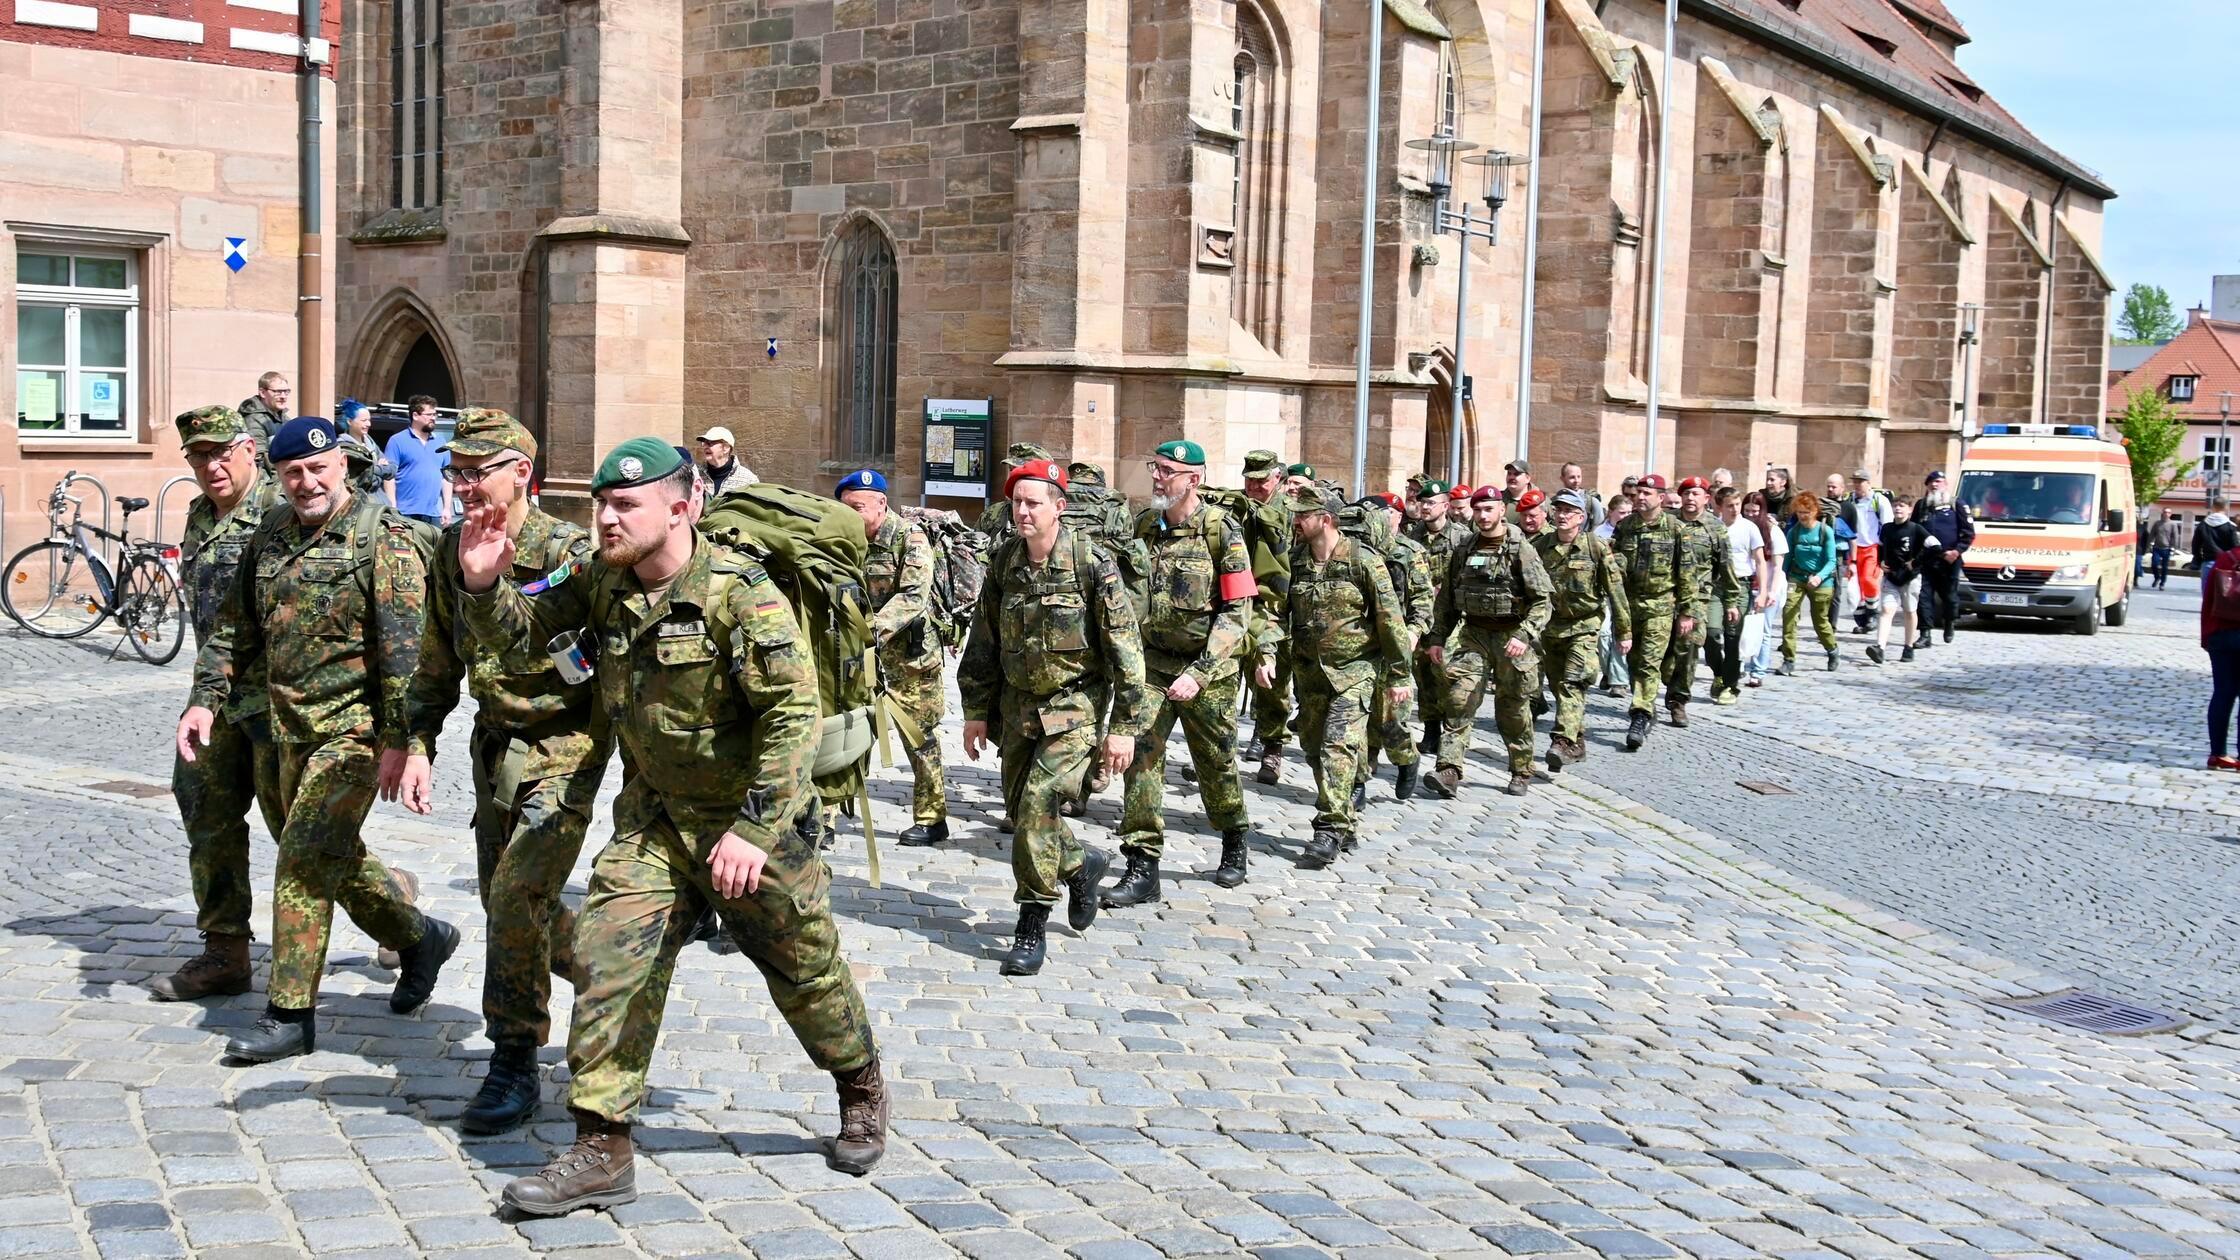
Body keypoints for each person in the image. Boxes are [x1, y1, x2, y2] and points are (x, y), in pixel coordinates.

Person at [455, 437, 888, 1210]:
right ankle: (600, 1145)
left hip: (754, 820)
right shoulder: (600, 580)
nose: (606, 519)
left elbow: (792, 717)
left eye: (625, 505)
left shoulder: (739, 594)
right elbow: (524, 643)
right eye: (601, 504)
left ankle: (858, 1081)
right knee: (608, 955)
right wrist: (486, 586)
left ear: (682, 508)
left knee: (804, 971)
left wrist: (753, 832)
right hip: (656, 820)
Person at [177, 416, 459, 1062]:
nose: (306, 482)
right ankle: (420, 938)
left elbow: (406, 658)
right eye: (293, 473)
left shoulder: (379, 537)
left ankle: (290, 1014)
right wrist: (204, 702)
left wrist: (408, 745)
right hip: (283, 733)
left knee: (302, 859)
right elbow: (235, 629)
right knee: (333, 857)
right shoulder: (271, 533)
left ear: (341, 466)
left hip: (353, 736)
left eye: (318, 468)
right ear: (278, 476)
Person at [383, 408, 608, 1134]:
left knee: (515, 893)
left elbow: (609, 661)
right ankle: (613, 974)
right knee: (508, 900)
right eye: (458, 471)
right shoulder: (452, 548)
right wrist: (414, 742)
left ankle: (513, 1057)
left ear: (522, 472)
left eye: (479, 471)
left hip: (566, 743)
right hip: (495, 746)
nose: (466, 484)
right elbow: (437, 660)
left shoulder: (571, 552)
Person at [960, 460, 1146, 975]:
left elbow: (1126, 650)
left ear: (1058, 508)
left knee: (1040, 801)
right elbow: (984, 642)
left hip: (1074, 706)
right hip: (1018, 708)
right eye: (1016, 503)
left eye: (1032, 503)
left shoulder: (1092, 564)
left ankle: (1031, 923)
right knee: (1023, 814)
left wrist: (1124, 729)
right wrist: (976, 710)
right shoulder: (1004, 563)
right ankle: (1081, 864)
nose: (1021, 512)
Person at [153, 406, 288, 1002]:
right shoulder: (199, 515)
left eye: (220, 452)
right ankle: (225, 952)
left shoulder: (281, 514)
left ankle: (399, 910)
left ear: (248, 450)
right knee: (205, 812)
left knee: (298, 830)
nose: (210, 466)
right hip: (214, 697)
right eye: (198, 456)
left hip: (276, 703)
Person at [1108, 441, 1256, 904]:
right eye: (1155, 468)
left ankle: (1233, 837)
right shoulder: (1146, 526)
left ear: (1194, 480)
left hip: (1205, 669)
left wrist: (1202, 671)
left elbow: (1239, 610)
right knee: (1140, 756)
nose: (1156, 478)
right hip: (1152, 665)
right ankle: (1141, 862)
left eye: (1167, 471)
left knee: (1215, 762)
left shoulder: (1222, 532)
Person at [1282, 486, 1411, 864]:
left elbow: (1390, 620)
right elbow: (1278, 612)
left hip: (1355, 671)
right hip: (1308, 673)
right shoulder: (1296, 561)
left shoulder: (1363, 561)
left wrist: (1400, 674)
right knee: (1312, 747)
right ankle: (1347, 820)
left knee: (1337, 745)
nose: (1295, 522)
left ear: (1325, 518)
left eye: (1302, 515)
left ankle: (1330, 827)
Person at [832, 469, 950, 848]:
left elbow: (913, 597)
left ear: (882, 504)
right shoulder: (844, 541)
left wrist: (869, 630)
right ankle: (832, 812)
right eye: (846, 507)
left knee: (919, 737)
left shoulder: (909, 539)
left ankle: (932, 819)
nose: (851, 515)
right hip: (859, 656)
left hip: (911, 660)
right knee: (847, 732)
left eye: (859, 507)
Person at [1423, 487, 1552, 797]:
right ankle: (1448, 769)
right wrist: (1437, 638)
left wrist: (1524, 636)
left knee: (1512, 708)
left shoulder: (1520, 548)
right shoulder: (1465, 547)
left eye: (1489, 510)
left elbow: (1543, 601)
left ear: (1501, 511)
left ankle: (1521, 769)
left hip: (1511, 636)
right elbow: (1448, 602)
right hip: (1475, 635)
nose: (1482, 516)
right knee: (1459, 699)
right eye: (1478, 509)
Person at [1534, 490, 1628, 770]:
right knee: (1558, 686)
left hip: (1584, 627)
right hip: (1551, 629)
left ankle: (1561, 741)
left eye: (1569, 511)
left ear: (1581, 517)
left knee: (1573, 683)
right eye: (1558, 510)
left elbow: (1616, 591)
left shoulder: (1596, 547)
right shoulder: (1541, 547)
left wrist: (1625, 632)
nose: (1562, 515)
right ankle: (1577, 743)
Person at [1351, 494, 1433, 805]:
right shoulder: (1357, 551)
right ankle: (1357, 783)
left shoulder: (1410, 553)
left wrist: (1412, 634)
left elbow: (1423, 602)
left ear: (1399, 518)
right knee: (1356, 719)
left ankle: (1406, 759)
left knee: (1390, 721)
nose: (1384, 521)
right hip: (1362, 646)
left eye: (1389, 514)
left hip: (1395, 646)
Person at [1235, 450, 1296, 788]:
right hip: (1240, 605)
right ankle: (1222, 753)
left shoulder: (1292, 513)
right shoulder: (1239, 510)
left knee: (1273, 683)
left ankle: (1273, 747)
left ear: (1277, 478)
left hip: (1278, 611)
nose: (1255, 486)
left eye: (1261, 480)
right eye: (1249, 480)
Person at [1662, 477, 1744, 727]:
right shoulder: (1667, 523)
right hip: (1664, 596)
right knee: (1662, 653)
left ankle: (1678, 701)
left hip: (1699, 598)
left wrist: (1731, 600)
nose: (1690, 498)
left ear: (1706, 499)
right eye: (1686, 493)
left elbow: (1726, 567)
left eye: (1696, 494)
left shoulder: (1714, 528)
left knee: (1688, 649)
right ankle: (1664, 681)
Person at [1611, 475, 1684, 749]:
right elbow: (1614, 564)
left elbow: (1685, 573)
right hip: (1630, 605)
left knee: (1648, 663)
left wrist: (1687, 611)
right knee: (1633, 661)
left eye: (1647, 493)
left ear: (1661, 497)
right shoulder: (1625, 527)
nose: (1641, 498)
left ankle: (1640, 714)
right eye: (1638, 493)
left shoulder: (1675, 529)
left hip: (1661, 606)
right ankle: (1647, 703)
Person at [1711, 486, 1768, 705]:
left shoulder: (1749, 527)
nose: (1735, 510)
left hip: (1741, 585)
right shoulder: (1714, 527)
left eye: (1737, 505)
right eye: (1730, 506)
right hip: (1716, 586)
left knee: (1734, 636)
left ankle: (1730, 685)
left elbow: (1760, 561)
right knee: (1712, 632)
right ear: (1719, 507)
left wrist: (1762, 592)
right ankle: (1719, 672)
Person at [1780, 490, 1841, 673]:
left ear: (1815, 511)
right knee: (1788, 616)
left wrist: (1819, 576)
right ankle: (1788, 659)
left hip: (1821, 581)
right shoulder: (1794, 531)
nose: (1803, 516)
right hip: (1796, 578)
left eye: (1806, 512)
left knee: (1820, 621)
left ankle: (1832, 650)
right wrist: (1781, 578)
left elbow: (1832, 561)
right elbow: (1788, 557)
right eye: (1799, 512)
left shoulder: (1825, 531)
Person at [1868, 495, 1930, 665]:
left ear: (1910, 509)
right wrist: (1881, 561)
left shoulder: (1916, 529)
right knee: (1886, 610)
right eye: (1895, 506)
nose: (1898, 509)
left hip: (1910, 578)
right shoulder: (1887, 528)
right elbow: (1880, 547)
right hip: (1891, 577)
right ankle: (1879, 648)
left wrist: (1916, 562)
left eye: (1902, 506)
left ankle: (1908, 646)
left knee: (1910, 612)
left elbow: (1935, 546)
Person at [1914, 470, 1974, 645]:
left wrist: (1956, 552)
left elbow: (1968, 533)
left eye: (1938, 481)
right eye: (1931, 482)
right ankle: (1925, 634)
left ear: (1945, 484)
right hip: (1926, 560)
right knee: (1923, 597)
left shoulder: (1957, 504)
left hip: (1949, 560)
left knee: (1949, 597)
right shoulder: (1921, 506)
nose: (1934, 485)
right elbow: (1915, 531)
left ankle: (1949, 623)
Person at [2201, 536, 2240, 770]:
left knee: (2222, 693)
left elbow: (2208, 601)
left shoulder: (2225, 558)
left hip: (2221, 635)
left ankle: (2218, 754)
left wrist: (2207, 636)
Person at [384, 394, 452, 527]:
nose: (433, 418)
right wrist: (392, 507)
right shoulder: (397, 441)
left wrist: (446, 508)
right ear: (415, 415)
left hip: (433, 515)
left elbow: (447, 478)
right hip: (404, 514)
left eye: (435, 414)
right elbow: (389, 477)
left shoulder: (441, 442)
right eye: (429, 414)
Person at [1742, 491, 1786, 687]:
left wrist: (1771, 592)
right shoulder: (1740, 527)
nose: (1750, 514)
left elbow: (1777, 566)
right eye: (1747, 510)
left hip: (1768, 585)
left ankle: (1758, 670)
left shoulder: (1772, 530)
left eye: (1755, 511)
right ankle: (1740, 666)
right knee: (1741, 628)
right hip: (1745, 583)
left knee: (1763, 629)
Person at [1842, 470, 1892, 633]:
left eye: (1861, 481)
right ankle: (1861, 618)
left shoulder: (1879, 500)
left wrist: (1886, 552)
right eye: (1855, 481)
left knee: (1868, 580)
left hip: (1872, 547)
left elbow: (1887, 525)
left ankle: (1872, 614)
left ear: (1869, 483)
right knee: (1853, 585)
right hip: (1853, 548)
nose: (1857, 485)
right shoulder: (1850, 500)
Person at [976, 442, 1054, 546]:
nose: (1013, 476)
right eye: (1012, 470)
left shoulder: (1061, 518)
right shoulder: (993, 515)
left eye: (1023, 472)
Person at [1594, 492, 1634, 696]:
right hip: (1604, 591)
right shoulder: (1599, 533)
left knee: (1621, 632)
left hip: (1626, 591)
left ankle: (1618, 680)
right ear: (1610, 512)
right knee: (1603, 634)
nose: (1626, 516)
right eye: (1621, 512)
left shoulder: (1633, 532)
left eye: (1629, 512)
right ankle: (1608, 671)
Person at [336, 399, 399, 505]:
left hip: (380, 503)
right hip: (360, 505)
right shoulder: (344, 447)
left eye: (369, 420)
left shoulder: (371, 444)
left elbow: (392, 469)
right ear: (349, 421)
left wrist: (374, 470)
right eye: (363, 420)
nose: (368, 424)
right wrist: (381, 471)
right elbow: (362, 480)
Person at [694, 426, 759, 497]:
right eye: (704, 443)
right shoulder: (695, 474)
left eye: (710, 443)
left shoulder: (748, 480)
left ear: (726, 448)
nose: (705, 447)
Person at [236, 370, 291, 450]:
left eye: (286, 391)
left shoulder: (284, 418)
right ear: (262, 393)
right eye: (277, 392)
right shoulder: (253, 420)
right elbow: (258, 457)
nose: (283, 396)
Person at [2191, 502, 2238, 575]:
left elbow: (2195, 544)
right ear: (2226, 507)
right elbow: (2235, 547)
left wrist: (2198, 558)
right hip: (2225, 564)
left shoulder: (2203, 524)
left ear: (2213, 507)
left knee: (2207, 586)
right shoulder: (2230, 526)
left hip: (2208, 561)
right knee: (2224, 586)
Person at [1560, 462, 1606, 529]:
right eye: (1572, 477)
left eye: (1579, 477)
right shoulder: (1557, 500)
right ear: (1562, 478)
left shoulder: (1591, 500)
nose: (1576, 480)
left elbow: (1598, 526)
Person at [2149, 508, 2180, 589]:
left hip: (2167, 548)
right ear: (2162, 513)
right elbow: (2152, 534)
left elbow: (2175, 537)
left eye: (2168, 512)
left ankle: (2162, 583)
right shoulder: (2157, 523)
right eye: (2165, 512)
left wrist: (2174, 548)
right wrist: (2150, 543)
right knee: (2154, 564)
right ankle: (2157, 577)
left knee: (2164, 567)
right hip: (2157, 547)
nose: (2166, 514)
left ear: (2170, 514)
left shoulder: (2173, 524)